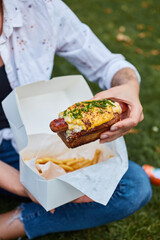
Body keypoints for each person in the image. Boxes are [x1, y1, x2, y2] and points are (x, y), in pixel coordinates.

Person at [0, 0, 152, 239]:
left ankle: (15, 222)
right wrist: (23, 185)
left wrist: (129, 87)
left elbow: (109, 64)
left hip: (22, 143)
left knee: (132, 186)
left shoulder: (39, 7)